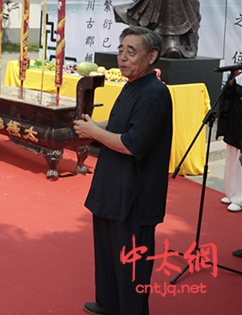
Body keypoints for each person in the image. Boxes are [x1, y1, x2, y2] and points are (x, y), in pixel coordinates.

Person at [73, 26, 173, 315]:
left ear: (152, 56)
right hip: (112, 189)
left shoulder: (154, 94)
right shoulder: (133, 86)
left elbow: (131, 144)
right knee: (106, 253)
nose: (123, 57)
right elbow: (119, 126)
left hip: (134, 195)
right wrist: (92, 127)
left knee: (132, 262)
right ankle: (108, 303)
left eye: (132, 51)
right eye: (120, 50)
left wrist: (94, 131)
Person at [217, 69, 242, 212]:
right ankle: (231, 193)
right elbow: (228, 95)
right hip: (234, 124)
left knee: (240, 163)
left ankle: (239, 197)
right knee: (231, 159)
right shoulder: (239, 76)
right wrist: (232, 79)